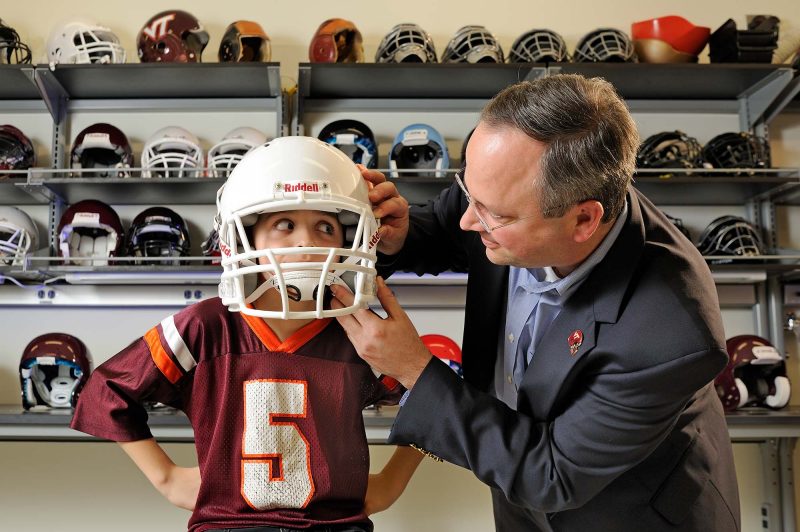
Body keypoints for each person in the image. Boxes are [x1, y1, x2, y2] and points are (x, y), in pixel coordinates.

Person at [330, 74, 741, 531]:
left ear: (583, 219)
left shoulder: (670, 330)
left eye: (493, 215)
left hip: (625, 513)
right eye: (468, 192)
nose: (468, 219)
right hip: (517, 494)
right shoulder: (506, 188)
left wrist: (415, 369)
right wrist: (400, 236)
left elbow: (553, 476)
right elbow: (448, 224)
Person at [70, 136, 422, 532]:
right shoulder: (207, 327)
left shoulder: (359, 332)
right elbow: (107, 389)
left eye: (325, 225)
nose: (305, 241)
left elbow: (426, 394)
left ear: (352, 236)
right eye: (284, 224)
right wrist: (166, 478)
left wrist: (390, 484)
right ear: (246, 238)